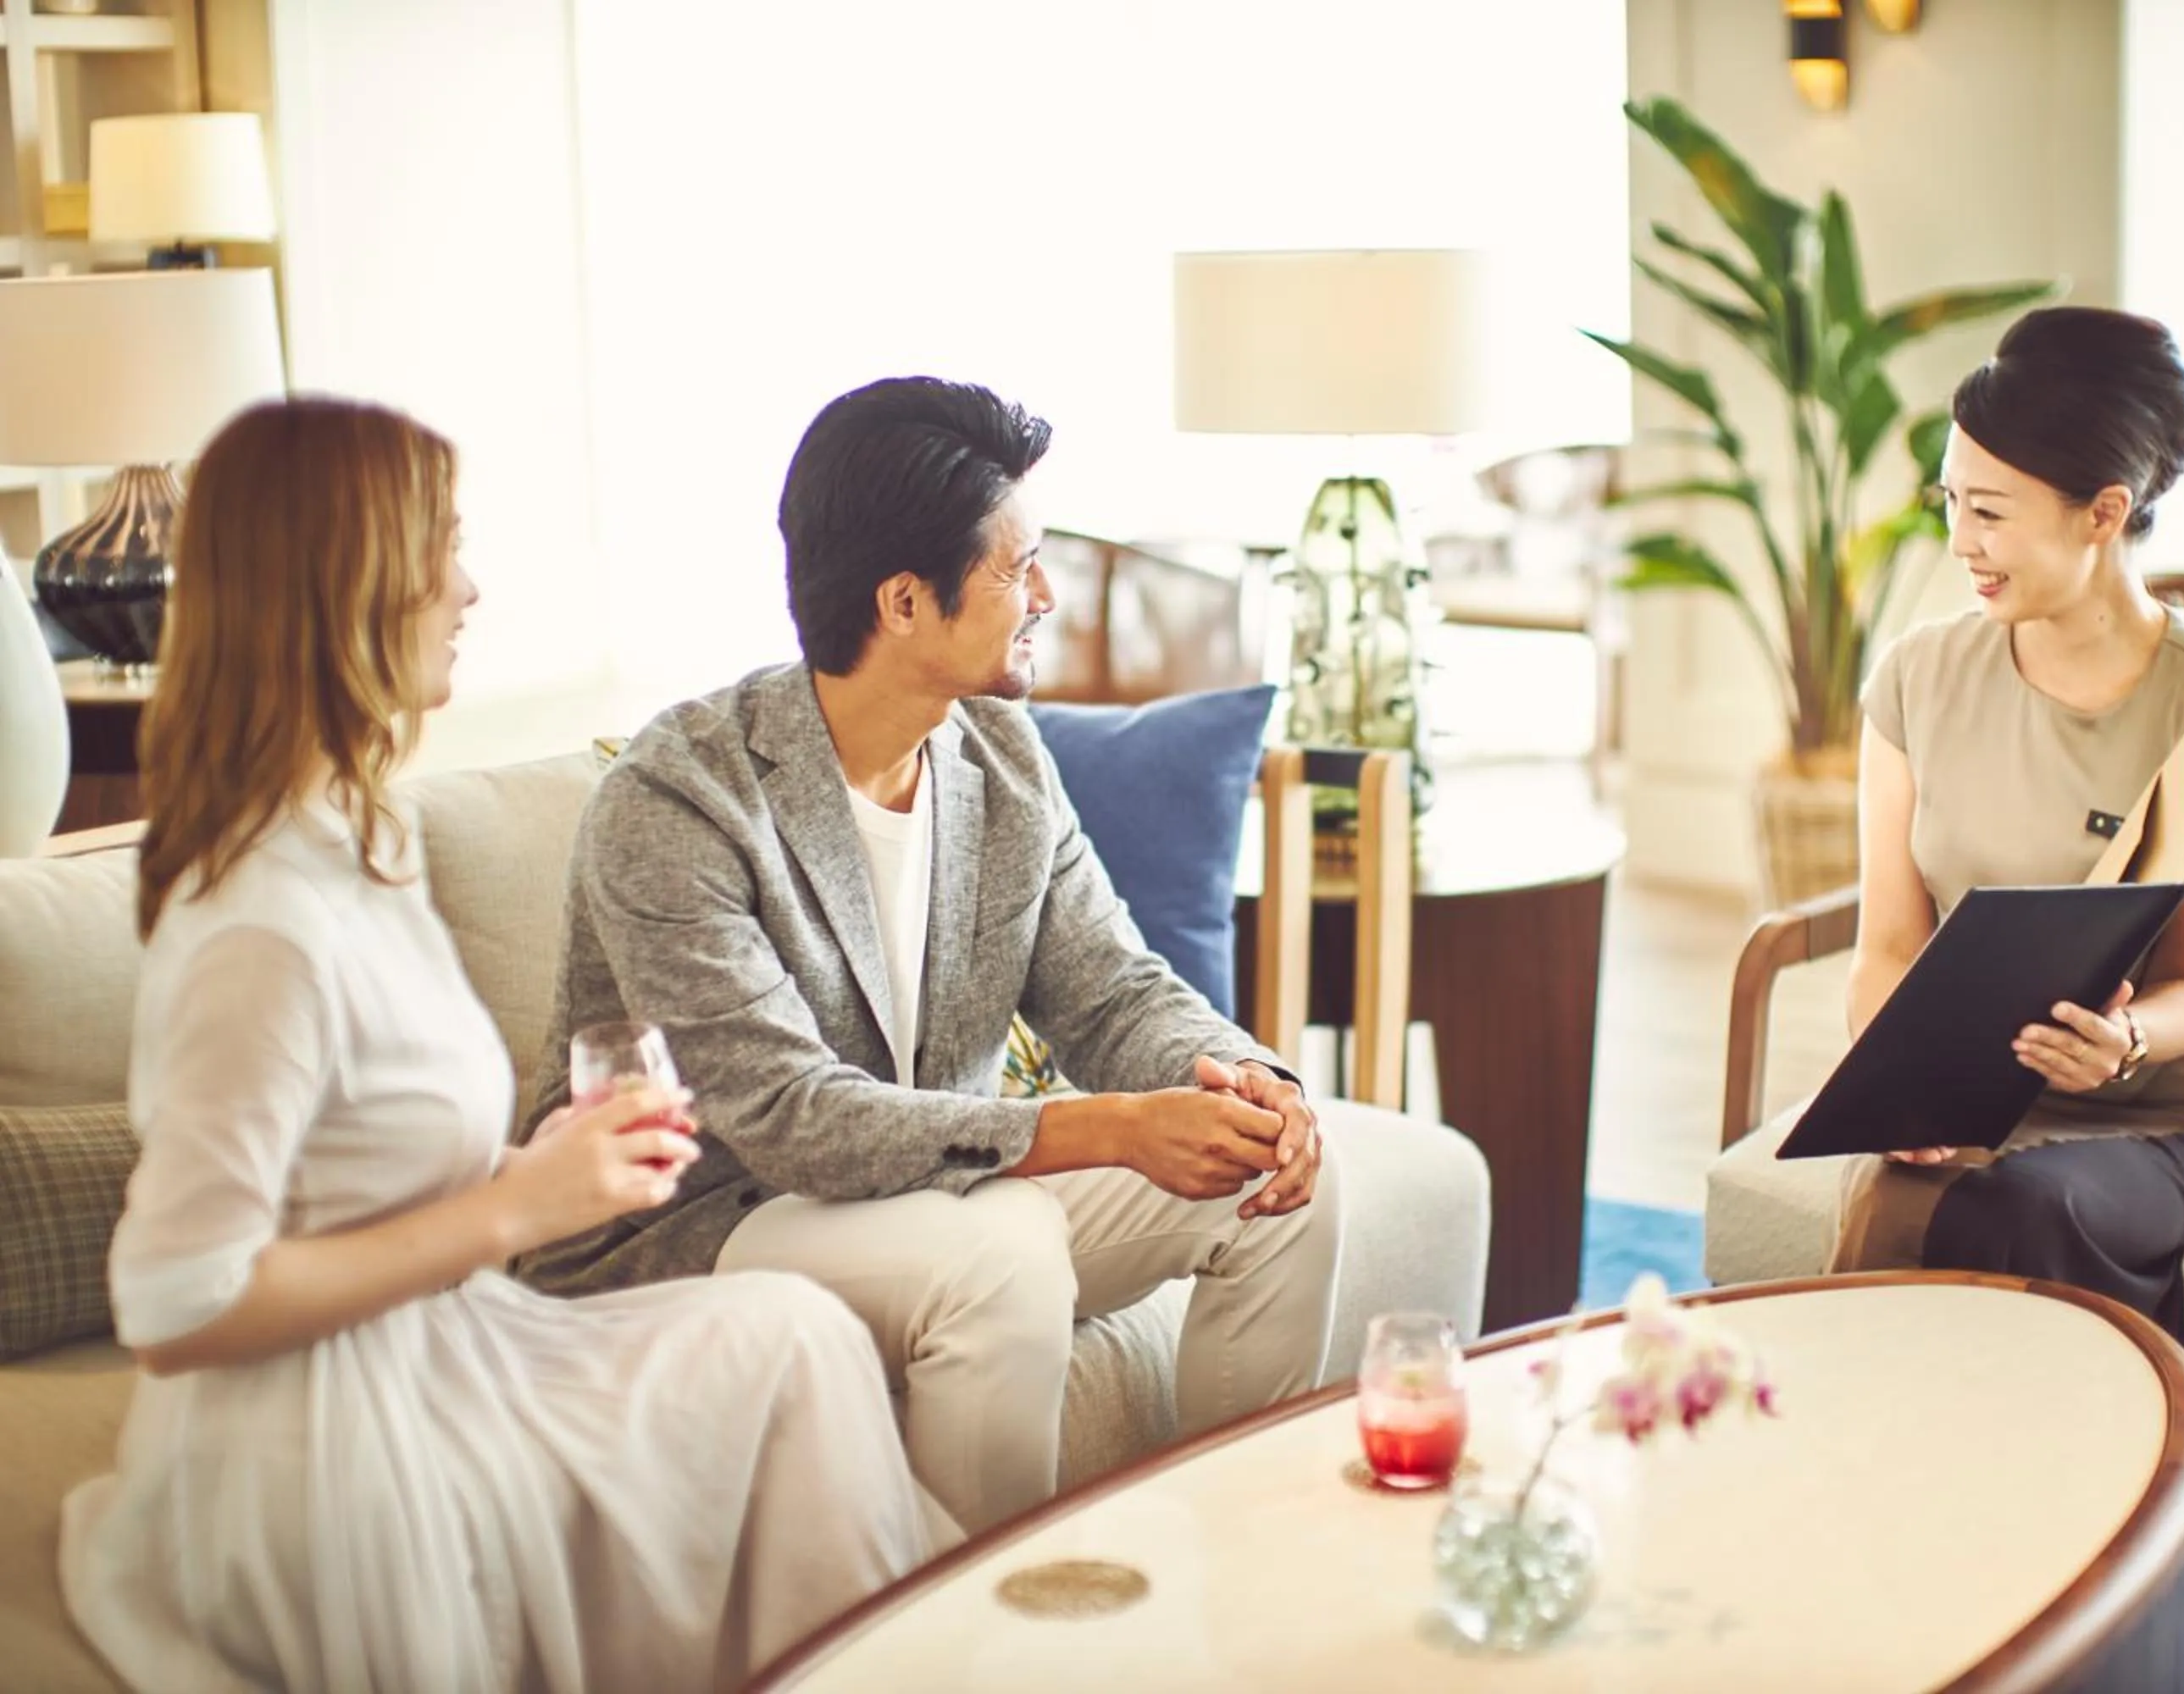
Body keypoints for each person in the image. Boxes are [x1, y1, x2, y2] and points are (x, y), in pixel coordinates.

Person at [59, 397, 950, 1694]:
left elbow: (363, 1160)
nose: (467, 590)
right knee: (784, 1359)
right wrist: (512, 1211)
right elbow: (173, 1300)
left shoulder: (357, 843)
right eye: (443, 550)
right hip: (327, 1438)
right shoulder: (261, 924)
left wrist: (541, 1164)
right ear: (345, 584)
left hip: (447, 1340)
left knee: (791, 1338)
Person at [516, 377, 1344, 1534]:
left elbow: (1109, 986)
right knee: (996, 1256)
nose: (1047, 595)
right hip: (709, 1222)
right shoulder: (679, 800)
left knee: (1278, 1180)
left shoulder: (1000, 754)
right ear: (905, 600)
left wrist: (1248, 1084)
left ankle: (1233, 1574)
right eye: (1018, 568)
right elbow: (790, 1119)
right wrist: (1108, 1128)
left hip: (934, 1194)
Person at [1827, 307, 2184, 1339]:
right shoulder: (1917, 678)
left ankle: (2103, 1489)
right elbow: (1888, 947)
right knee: (1893, 1209)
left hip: (2178, 1117)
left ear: (2104, 511)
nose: (1961, 543)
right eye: (1950, 502)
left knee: (2024, 1212)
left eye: (1991, 513)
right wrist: (1906, 1096)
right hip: (1975, 1105)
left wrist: (2123, 1040)